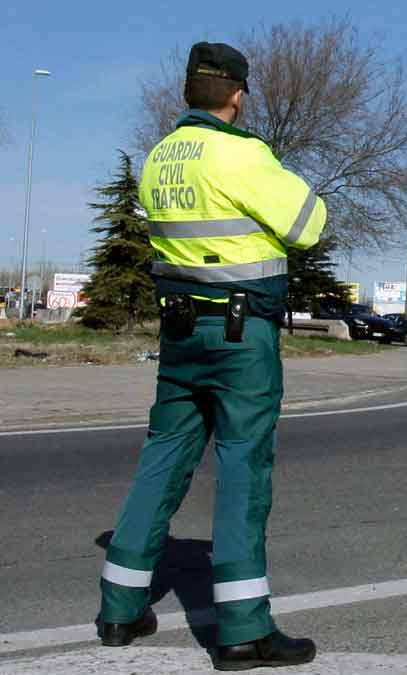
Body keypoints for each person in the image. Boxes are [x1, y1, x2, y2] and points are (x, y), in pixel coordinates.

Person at [96, 42, 326, 670]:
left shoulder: (159, 158)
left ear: (186, 91)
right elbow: (309, 225)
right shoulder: (243, 154)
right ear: (236, 94)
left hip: (179, 334)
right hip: (239, 332)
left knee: (162, 457)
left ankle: (119, 609)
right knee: (243, 469)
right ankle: (243, 632)